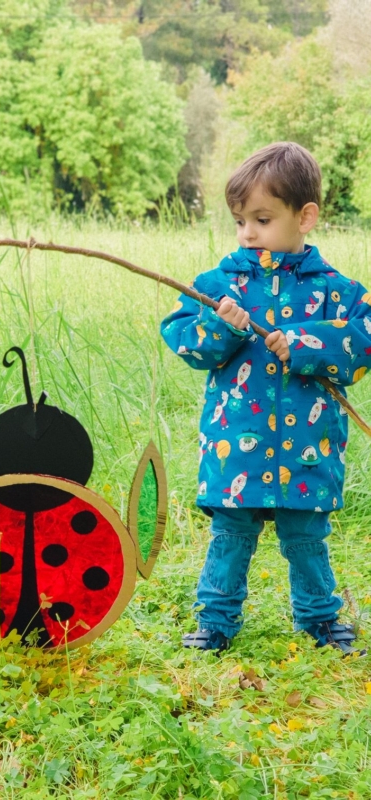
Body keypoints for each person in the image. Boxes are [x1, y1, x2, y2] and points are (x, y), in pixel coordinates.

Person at [160, 141, 371, 655]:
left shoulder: (335, 290)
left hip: (308, 447)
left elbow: (362, 342)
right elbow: (182, 338)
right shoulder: (220, 284)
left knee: (306, 536)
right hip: (236, 447)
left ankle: (320, 619)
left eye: (261, 218)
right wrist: (219, 325)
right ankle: (214, 620)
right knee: (231, 535)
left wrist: (306, 342)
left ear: (306, 217)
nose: (248, 233)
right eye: (239, 221)